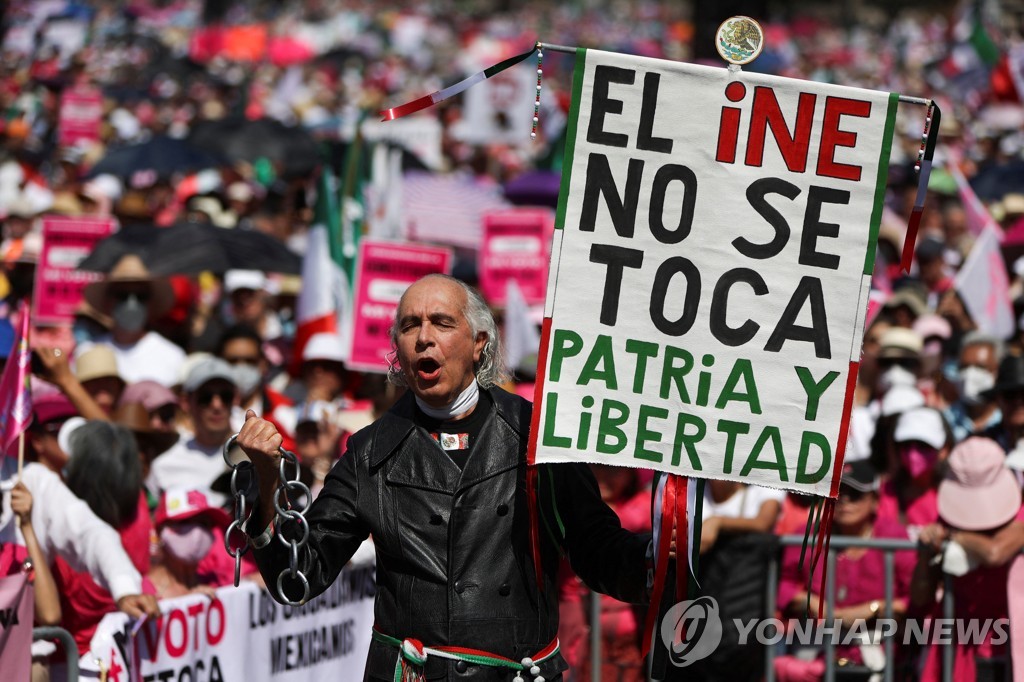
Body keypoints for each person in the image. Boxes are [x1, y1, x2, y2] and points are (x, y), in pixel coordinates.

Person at [237, 274, 652, 681]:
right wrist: (269, 480)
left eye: (442, 322)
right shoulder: (369, 451)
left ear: (479, 343)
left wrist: (656, 557)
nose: (423, 337)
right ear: (398, 350)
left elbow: (598, 551)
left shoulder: (538, 438)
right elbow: (299, 577)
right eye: (409, 325)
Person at [776, 459, 917, 681]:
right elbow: (781, 585)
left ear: (875, 501)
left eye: (856, 494)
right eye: (839, 494)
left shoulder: (894, 537)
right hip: (815, 651)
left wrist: (874, 609)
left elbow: (915, 597)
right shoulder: (808, 534)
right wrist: (809, 602)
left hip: (879, 653)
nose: (846, 502)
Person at [911, 437, 1024, 681]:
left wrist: (953, 536)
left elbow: (995, 553)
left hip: (1004, 646)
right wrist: (926, 553)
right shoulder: (944, 521)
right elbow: (921, 597)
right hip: (955, 645)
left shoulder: (1020, 518)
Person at [80, 253, 185, 387]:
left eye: (140, 296)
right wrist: (57, 352)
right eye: (123, 295)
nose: (132, 303)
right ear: (108, 301)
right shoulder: (86, 352)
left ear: (151, 303)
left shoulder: (173, 357)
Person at [148, 357, 239, 505]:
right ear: (185, 402)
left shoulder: (253, 455)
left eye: (225, 396)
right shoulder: (164, 465)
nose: (217, 405)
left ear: (236, 398)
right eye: (206, 397)